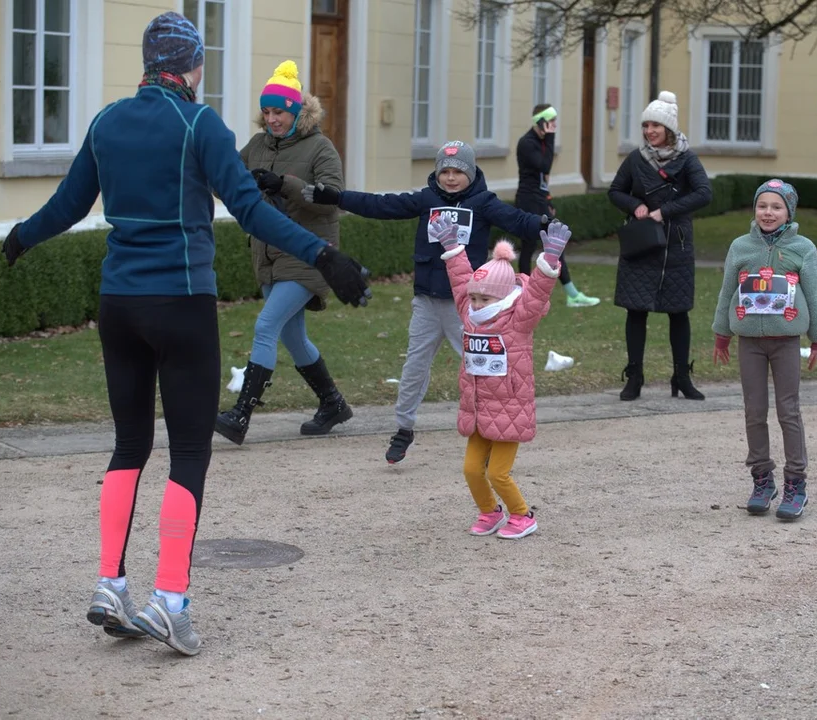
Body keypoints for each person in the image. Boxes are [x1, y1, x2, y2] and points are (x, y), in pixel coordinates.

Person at [0, 12, 371, 656]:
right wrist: (326, 257)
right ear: (192, 65)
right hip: (182, 303)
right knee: (189, 452)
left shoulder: (107, 122)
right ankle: (169, 599)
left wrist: (21, 237)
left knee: (128, 448)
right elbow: (250, 210)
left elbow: (66, 204)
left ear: (147, 64)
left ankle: (110, 584)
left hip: (120, 305)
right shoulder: (201, 124)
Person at [303, 141, 549, 463]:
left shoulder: (483, 202)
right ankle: (404, 429)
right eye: (444, 171)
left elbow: (516, 220)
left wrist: (542, 225)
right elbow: (382, 205)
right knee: (413, 369)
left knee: (484, 370)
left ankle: (491, 431)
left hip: (469, 308)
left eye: (458, 172)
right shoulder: (426, 199)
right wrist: (336, 198)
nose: (450, 178)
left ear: (471, 173)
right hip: (426, 304)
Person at [215, 60, 353, 445]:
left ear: (297, 112)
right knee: (294, 339)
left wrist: (284, 184)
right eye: (267, 111)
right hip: (267, 255)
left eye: (280, 112)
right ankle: (333, 403)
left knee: (265, 326)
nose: (272, 119)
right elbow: (227, 179)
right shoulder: (257, 145)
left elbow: (331, 199)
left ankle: (240, 415)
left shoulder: (320, 147)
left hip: (309, 255)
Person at [427, 213, 573, 538]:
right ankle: (490, 513)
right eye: (475, 297)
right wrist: (451, 245)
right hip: (478, 409)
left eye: (485, 298)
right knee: (470, 470)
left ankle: (523, 515)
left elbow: (536, 293)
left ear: (504, 297)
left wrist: (549, 259)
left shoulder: (519, 318)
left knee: (498, 473)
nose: (476, 303)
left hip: (510, 409)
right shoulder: (470, 313)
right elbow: (461, 280)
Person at [712, 180, 817, 521]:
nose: (768, 212)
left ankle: (796, 483)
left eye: (776, 207)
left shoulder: (803, 248)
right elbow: (725, 293)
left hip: (786, 342)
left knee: (788, 410)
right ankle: (762, 480)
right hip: (749, 341)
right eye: (762, 206)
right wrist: (722, 333)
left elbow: (815, 294)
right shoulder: (740, 247)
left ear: (788, 212)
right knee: (754, 410)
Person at [608, 91, 713, 402]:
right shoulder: (636, 159)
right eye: (645, 125)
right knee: (635, 310)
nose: (649, 131)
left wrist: (664, 211)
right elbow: (615, 192)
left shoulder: (686, 158)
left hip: (675, 247)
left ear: (669, 129)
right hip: (642, 244)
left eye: (655, 125)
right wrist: (635, 205)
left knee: (678, 313)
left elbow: (704, 193)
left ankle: (682, 377)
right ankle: (635, 376)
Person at [515, 104, 599, 307]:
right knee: (532, 246)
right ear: (541, 122)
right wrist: (551, 137)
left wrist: (548, 199)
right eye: (551, 122)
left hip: (539, 198)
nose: (554, 126)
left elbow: (544, 176)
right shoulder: (527, 143)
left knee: (551, 243)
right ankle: (527, 294)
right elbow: (545, 166)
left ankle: (569, 294)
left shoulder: (541, 141)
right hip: (528, 200)